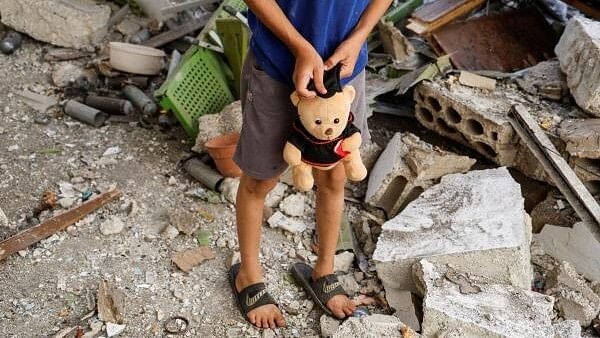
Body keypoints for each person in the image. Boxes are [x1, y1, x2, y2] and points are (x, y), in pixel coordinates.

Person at [230, 0, 393, 329]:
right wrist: (300, 46)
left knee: (334, 177)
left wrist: (360, 36)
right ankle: (247, 275)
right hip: (278, 66)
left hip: (345, 72)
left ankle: (325, 269)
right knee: (259, 180)